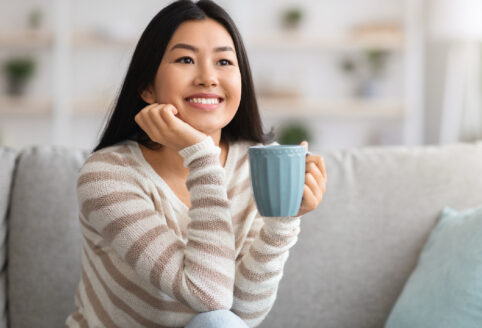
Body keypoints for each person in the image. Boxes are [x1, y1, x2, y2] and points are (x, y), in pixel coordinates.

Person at [65, 1, 327, 327]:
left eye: (224, 61)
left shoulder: (255, 163)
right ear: (147, 86)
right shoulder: (107, 176)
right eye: (186, 59)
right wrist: (201, 154)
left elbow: (243, 314)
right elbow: (208, 294)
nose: (208, 77)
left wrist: (282, 221)